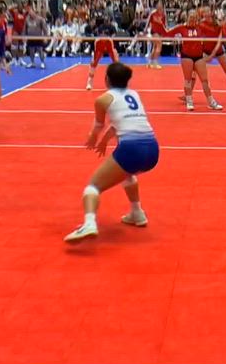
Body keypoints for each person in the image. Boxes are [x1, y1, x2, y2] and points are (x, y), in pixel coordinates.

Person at [65, 62, 159, 242]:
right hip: (153, 150)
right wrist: (105, 140)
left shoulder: (103, 99)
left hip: (131, 149)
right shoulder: (134, 94)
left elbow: (99, 125)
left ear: (106, 79)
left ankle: (89, 224)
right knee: (126, 173)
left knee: (93, 186)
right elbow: (120, 122)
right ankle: (137, 212)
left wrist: (93, 138)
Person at [162, 12, 224, 112]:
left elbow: (214, 31)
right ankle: (189, 101)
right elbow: (167, 33)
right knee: (188, 80)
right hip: (187, 56)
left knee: (205, 80)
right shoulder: (181, 27)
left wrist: (219, 24)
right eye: (191, 17)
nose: (193, 19)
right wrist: (159, 26)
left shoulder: (201, 27)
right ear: (187, 18)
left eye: (195, 18)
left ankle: (211, 101)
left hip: (199, 56)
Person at [86, 17, 120, 91]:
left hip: (109, 49)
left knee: (117, 63)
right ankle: (89, 82)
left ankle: (118, 82)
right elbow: (96, 52)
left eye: (105, 34)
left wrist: (115, 60)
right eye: (102, 34)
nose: (103, 35)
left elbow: (112, 51)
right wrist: (94, 61)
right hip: (99, 50)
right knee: (93, 63)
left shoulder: (109, 41)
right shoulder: (97, 41)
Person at [147, 2, 168, 69]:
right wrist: (146, 30)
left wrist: (165, 32)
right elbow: (148, 21)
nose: (159, 7)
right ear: (156, 6)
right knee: (159, 45)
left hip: (160, 32)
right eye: (158, 6)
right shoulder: (153, 13)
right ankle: (155, 63)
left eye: (160, 6)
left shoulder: (163, 15)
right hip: (154, 31)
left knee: (155, 47)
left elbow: (164, 25)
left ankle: (149, 63)